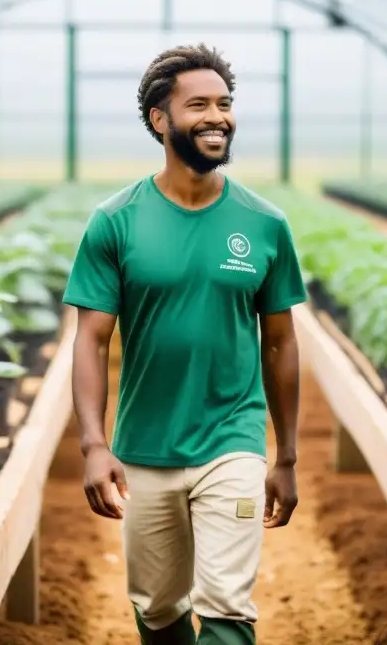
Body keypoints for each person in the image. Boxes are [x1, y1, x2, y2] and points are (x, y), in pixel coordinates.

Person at [62, 43, 307, 644]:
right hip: (145, 445)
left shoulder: (264, 223)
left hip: (234, 439)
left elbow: (280, 343)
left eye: (224, 103)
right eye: (198, 104)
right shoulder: (115, 220)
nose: (217, 116)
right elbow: (91, 340)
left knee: (226, 604)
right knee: (158, 605)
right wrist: (95, 444)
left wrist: (288, 457)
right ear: (160, 120)